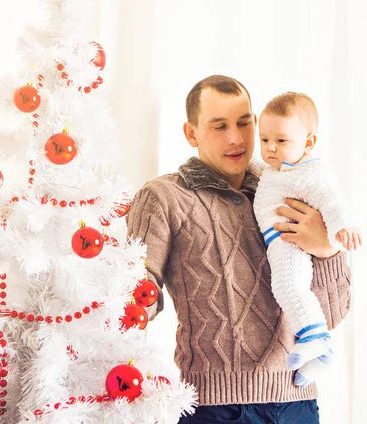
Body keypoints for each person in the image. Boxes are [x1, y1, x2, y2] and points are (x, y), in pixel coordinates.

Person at [126, 76, 352, 424]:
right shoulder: (164, 197)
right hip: (215, 408)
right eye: (219, 127)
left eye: (245, 123)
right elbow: (133, 301)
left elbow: (333, 315)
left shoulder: (288, 190)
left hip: (297, 402)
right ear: (191, 134)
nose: (236, 138)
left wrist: (327, 250)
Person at [254, 92, 361, 389]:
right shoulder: (279, 169)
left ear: (308, 142)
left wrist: (343, 228)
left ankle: (316, 336)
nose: (270, 148)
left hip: (291, 240)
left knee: (288, 286)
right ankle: (321, 354)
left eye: (281, 141)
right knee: (291, 288)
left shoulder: (308, 173)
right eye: (264, 140)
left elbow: (331, 200)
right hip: (279, 240)